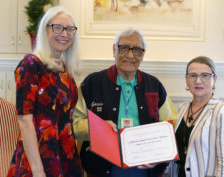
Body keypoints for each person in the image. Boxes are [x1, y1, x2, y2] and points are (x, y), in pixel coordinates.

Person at [72, 27, 178, 177]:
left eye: (137, 50)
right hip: (102, 169)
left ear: (143, 55)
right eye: (124, 48)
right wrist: (98, 129)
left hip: (145, 170)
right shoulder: (92, 83)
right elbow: (74, 124)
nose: (130, 55)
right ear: (114, 49)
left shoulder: (154, 85)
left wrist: (159, 156)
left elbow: (171, 126)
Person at [7, 6, 83, 177]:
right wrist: (38, 170)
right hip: (38, 159)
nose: (64, 34)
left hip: (67, 157)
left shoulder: (65, 71)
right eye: (57, 28)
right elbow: (25, 121)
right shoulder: (31, 65)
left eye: (70, 29)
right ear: (44, 30)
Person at [164, 56, 224, 177]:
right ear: (187, 80)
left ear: (214, 79)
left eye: (205, 75)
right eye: (193, 75)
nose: (198, 81)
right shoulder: (183, 108)